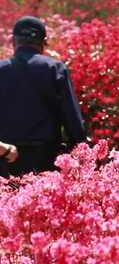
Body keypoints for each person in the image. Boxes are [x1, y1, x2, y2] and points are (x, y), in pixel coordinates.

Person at [0, 16, 86, 177]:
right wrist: (79, 155)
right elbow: (72, 120)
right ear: (44, 42)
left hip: (5, 158)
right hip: (45, 159)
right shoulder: (54, 69)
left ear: (13, 41)